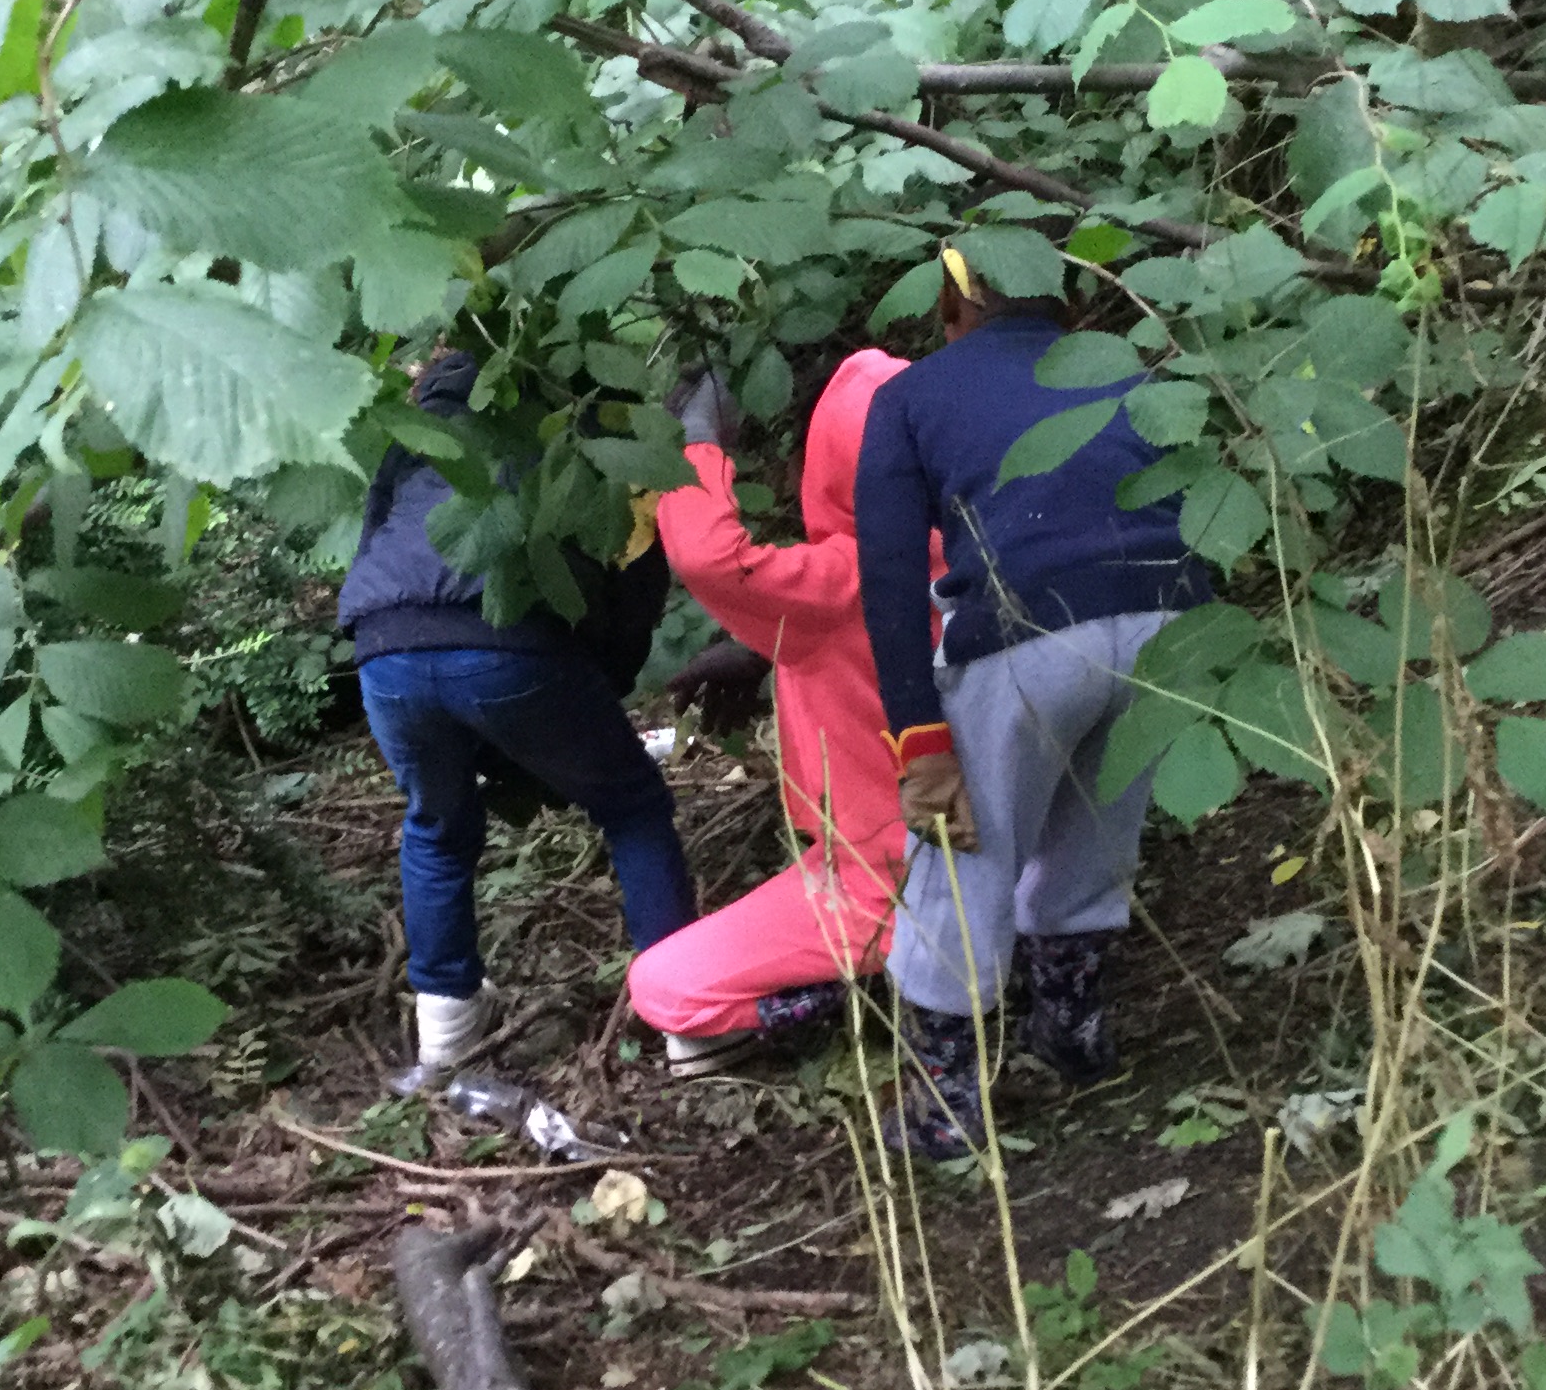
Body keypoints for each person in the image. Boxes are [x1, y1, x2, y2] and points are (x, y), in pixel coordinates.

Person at [854, 249, 1212, 1155]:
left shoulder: (909, 398)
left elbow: (888, 581)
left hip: (1027, 630)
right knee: (1098, 828)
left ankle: (947, 1106)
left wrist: (918, 736)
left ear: (953, 304)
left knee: (964, 855)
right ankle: (1074, 1031)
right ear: (1069, 303)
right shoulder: (1126, 368)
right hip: (1172, 619)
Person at [338, 350, 694, 1077]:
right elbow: (634, 569)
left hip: (385, 650)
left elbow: (376, 537)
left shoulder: (414, 436)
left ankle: (446, 1034)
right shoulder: (575, 435)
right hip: (507, 641)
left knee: (436, 829)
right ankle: (689, 1022)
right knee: (631, 806)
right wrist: (604, 683)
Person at [627, 351, 917, 1067]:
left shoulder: (849, 577)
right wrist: (766, 653)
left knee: (665, 989)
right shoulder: (978, 547)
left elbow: (713, 560)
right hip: (1002, 850)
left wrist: (697, 444)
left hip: (888, 877)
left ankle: (886, 983)